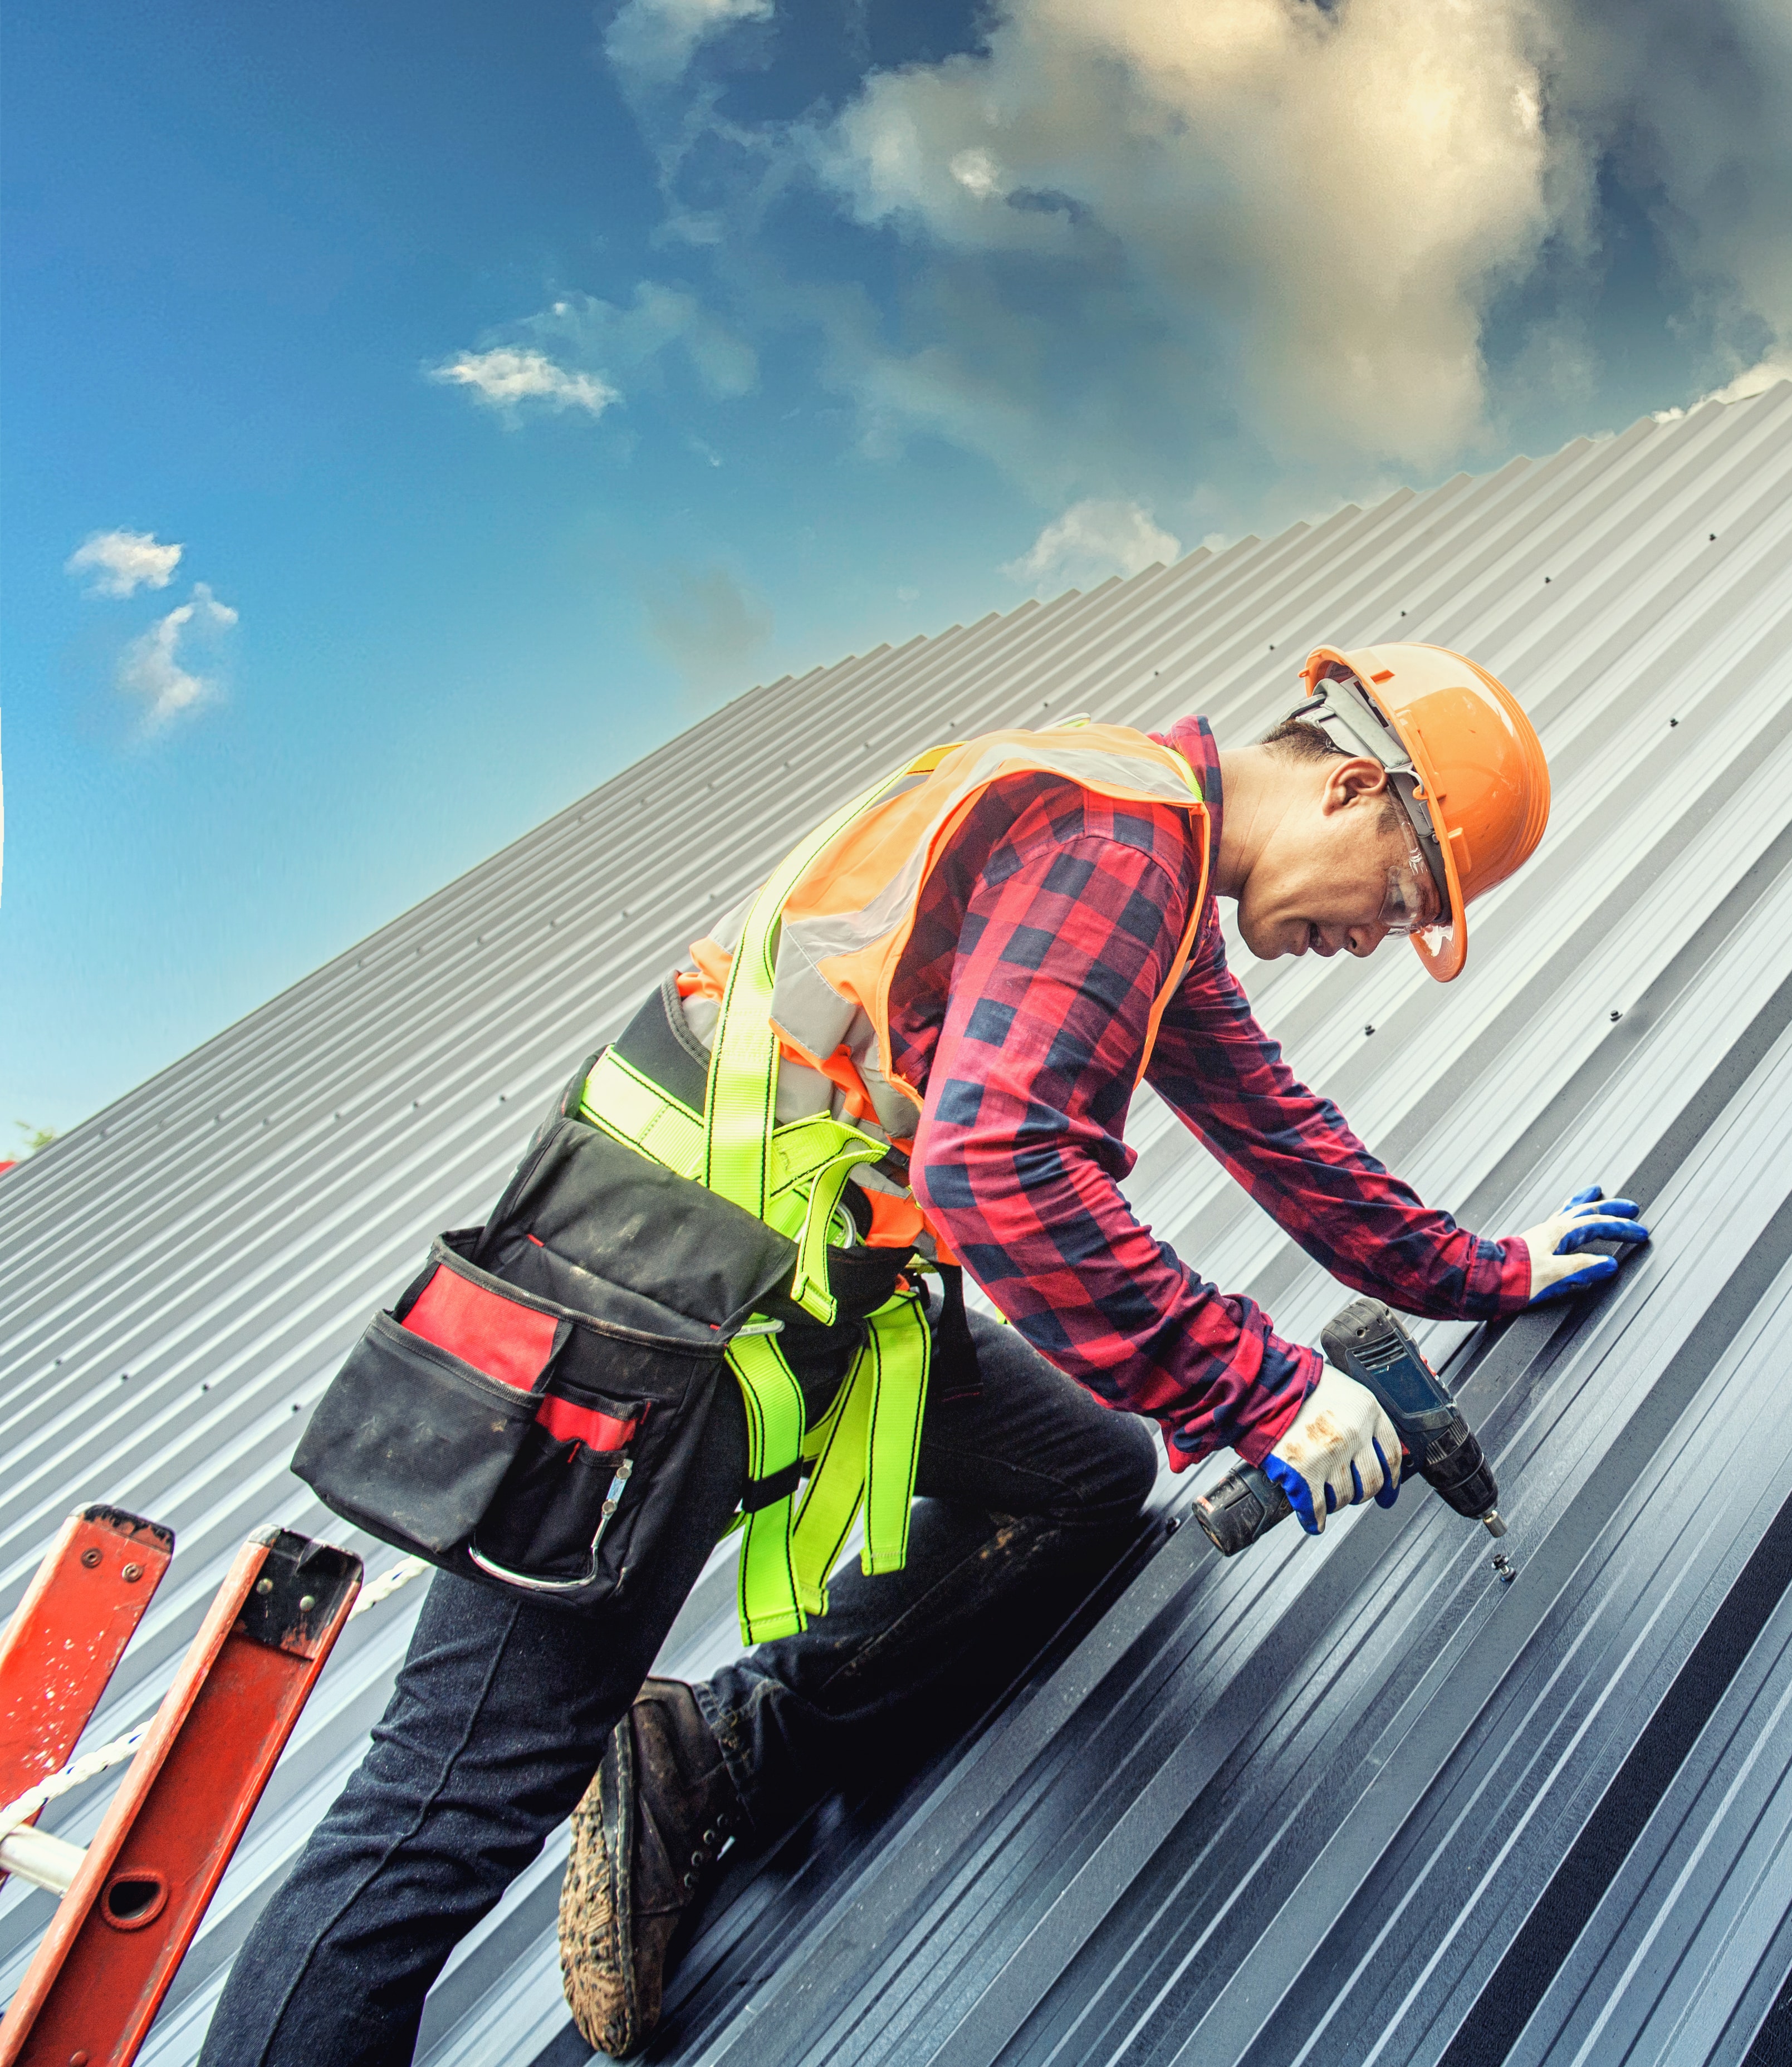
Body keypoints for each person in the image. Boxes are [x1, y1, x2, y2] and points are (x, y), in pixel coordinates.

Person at [208, 644, 1650, 2065]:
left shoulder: (1144, 858)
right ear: (1350, 787)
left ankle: (714, 1751)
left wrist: (1482, 1270)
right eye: (1404, 896)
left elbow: (1276, 1129)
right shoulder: (1118, 837)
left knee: (1080, 1473)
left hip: (812, 1296)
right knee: (437, 1822)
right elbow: (1003, 1174)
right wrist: (1263, 1391)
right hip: (639, 1315)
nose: (1378, 937)